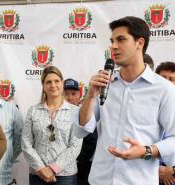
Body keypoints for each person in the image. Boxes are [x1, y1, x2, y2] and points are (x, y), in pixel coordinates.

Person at [75, 16, 175, 185]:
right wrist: (90, 96)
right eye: (112, 40)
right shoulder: (104, 84)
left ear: (140, 43)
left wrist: (145, 150)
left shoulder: (164, 89)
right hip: (100, 180)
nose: (113, 46)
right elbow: (82, 129)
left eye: (121, 39)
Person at [22, 66, 82, 185]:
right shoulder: (33, 111)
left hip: (66, 176)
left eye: (56, 81)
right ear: (43, 86)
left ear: (62, 83)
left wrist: (53, 169)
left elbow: (75, 146)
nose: (53, 85)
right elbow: (26, 142)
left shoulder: (75, 112)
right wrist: (41, 168)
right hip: (38, 174)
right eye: (48, 82)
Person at [63, 78, 97, 185]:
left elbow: (91, 141)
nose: (69, 98)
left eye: (73, 94)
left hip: (81, 168)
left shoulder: (86, 113)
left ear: (79, 95)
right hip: (57, 169)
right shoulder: (54, 114)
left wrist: (75, 160)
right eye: (66, 94)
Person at [156, 61, 175, 185]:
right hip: (147, 175)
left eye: (171, 79)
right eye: (163, 78)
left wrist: (172, 170)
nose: (167, 82)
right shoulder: (146, 108)